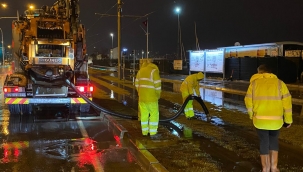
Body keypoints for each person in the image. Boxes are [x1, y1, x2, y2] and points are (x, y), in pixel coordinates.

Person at [244, 64, 292, 172]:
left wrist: (252, 115)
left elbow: (248, 101)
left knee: (264, 142)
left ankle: (265, 168)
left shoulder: (254, 83)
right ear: (270, 72)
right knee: (274, 141)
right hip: (276, 121)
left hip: (260, 120)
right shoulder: (280, 83)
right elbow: (287, 103)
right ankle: (274, 167)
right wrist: (288, 120)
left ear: (259, 72)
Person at [135, 62, 161, 138]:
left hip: (142, 99)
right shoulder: (154, 71)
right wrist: (157, 95)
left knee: (144, 115)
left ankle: (144, 132)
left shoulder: (140, 71)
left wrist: (140, 93)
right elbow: (158, 86)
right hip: (152, 98)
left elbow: (136, 84)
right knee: (154, 115)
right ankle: (153, 133)